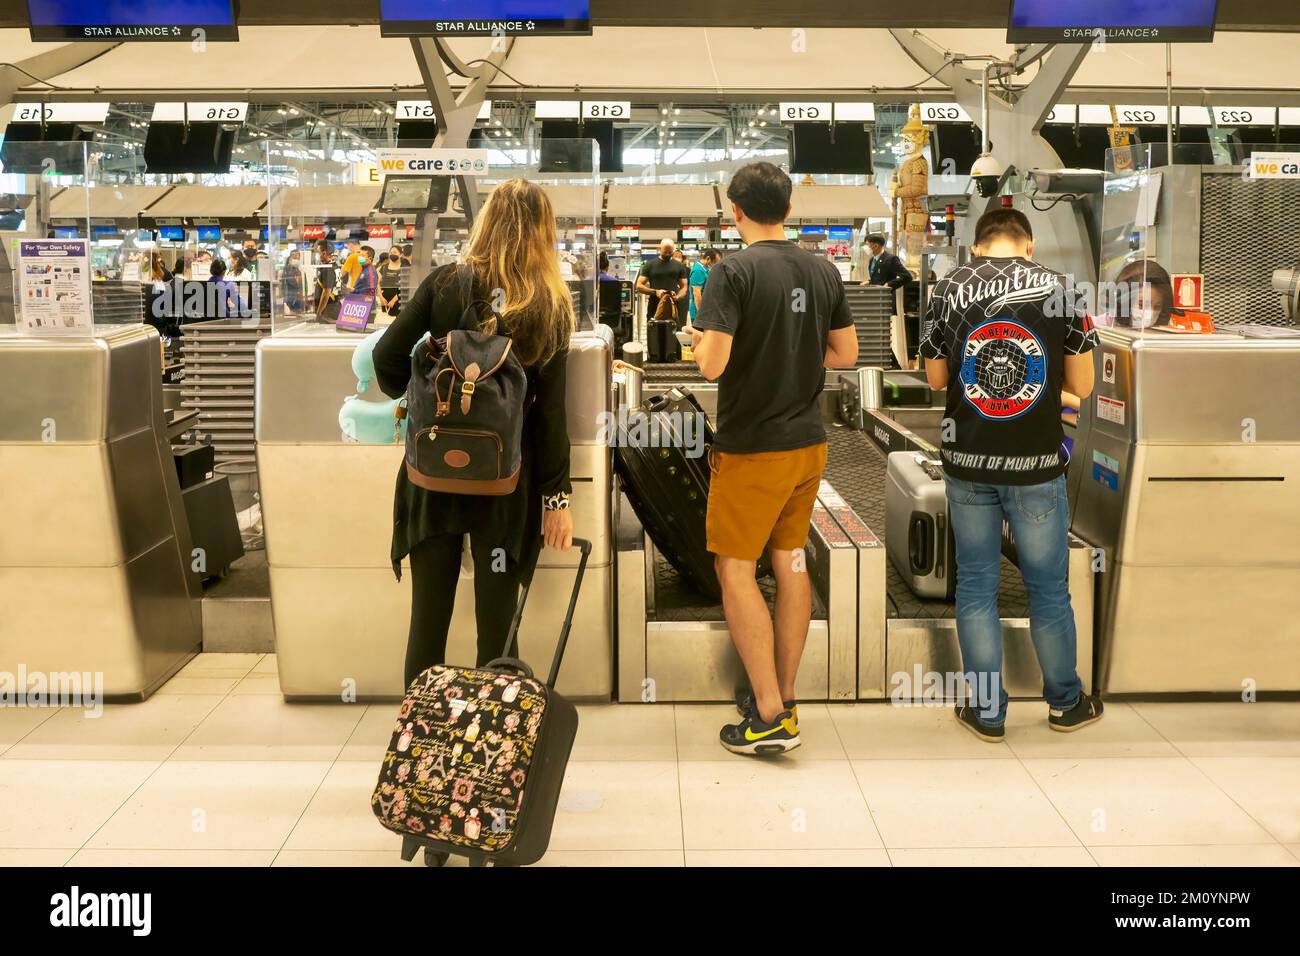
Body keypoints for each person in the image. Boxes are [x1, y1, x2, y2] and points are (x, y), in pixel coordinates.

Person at [372, 179, 576, 683]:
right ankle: (491, 746)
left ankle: (420, 739)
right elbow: (551, 416)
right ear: (543, 233)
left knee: (428, 621)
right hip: (505, 484)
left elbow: (385, 358)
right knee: (497, 625)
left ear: (485, 223)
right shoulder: (548, 306)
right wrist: (557, 499)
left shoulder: (445, 283)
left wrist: (418, 387)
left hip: (433, 475)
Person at [691, 162, 859, 754]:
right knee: (790, 562)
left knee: (735, 569)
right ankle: (783, 696)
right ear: (788, 209)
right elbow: (846, 353)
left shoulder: (729, 272)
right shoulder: (821, 269)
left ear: (735, 210)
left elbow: (712, 364)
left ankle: (767, 714)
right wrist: (794, 352)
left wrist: (698, 342)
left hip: (752, 450)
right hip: (807, 445)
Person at [920, 207, 1103, 742]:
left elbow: (934, 378)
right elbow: (1084, 386)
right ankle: (1066, 704)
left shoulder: (948, 286)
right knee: (1048, 588)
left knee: (976, 586)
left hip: (968, 461)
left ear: (978, 246)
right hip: (1037, 463)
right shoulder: (1061, 287)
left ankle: (988, 712)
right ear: (1029, 244)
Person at [636, 237, 690, 327]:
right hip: (654, 306)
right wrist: (655, 292)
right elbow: (639, 285)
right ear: (659, 249)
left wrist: (677, 296)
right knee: (654, 335)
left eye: (670, 252)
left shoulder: (679, 266)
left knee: (673, 336)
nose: (668, 254)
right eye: (665, 252)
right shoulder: (650, 265)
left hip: (673, 306)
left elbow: (684, 287)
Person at [688, 247, 720, 324]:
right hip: (698, 314)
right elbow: (696, 293)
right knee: (699, 335)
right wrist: (701, 314)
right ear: (708, 258)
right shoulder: (698, 270)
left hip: (705, 311)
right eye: (715, 262)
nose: (715, 265)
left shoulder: (705, 269)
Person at [313, 239, 338, 319]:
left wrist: (319, 313)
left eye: (318, 252)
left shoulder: (328, 269)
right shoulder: (335, 266)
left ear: (324, 253)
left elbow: (326, 294)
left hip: (328, 311)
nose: (317, 255)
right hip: (334, 308)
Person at [379, 248, 404, 315]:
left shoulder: (404, 268)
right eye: (391, 252)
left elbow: (404, 286)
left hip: (399, 299)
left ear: (401, 254)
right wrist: (381, 298)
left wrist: (393, 301)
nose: (392, 254)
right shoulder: (384, 267)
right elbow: (377, 283)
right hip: (385, 300)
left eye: (395, 252)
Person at [282, 249, 306, 313]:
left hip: (300, 301)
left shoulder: (301, 271)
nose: (296, 257)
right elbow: (286, 284)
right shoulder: (286, 270)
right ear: (290, 258)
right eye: (293, 256)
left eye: (297, 256)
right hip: (289, 300)